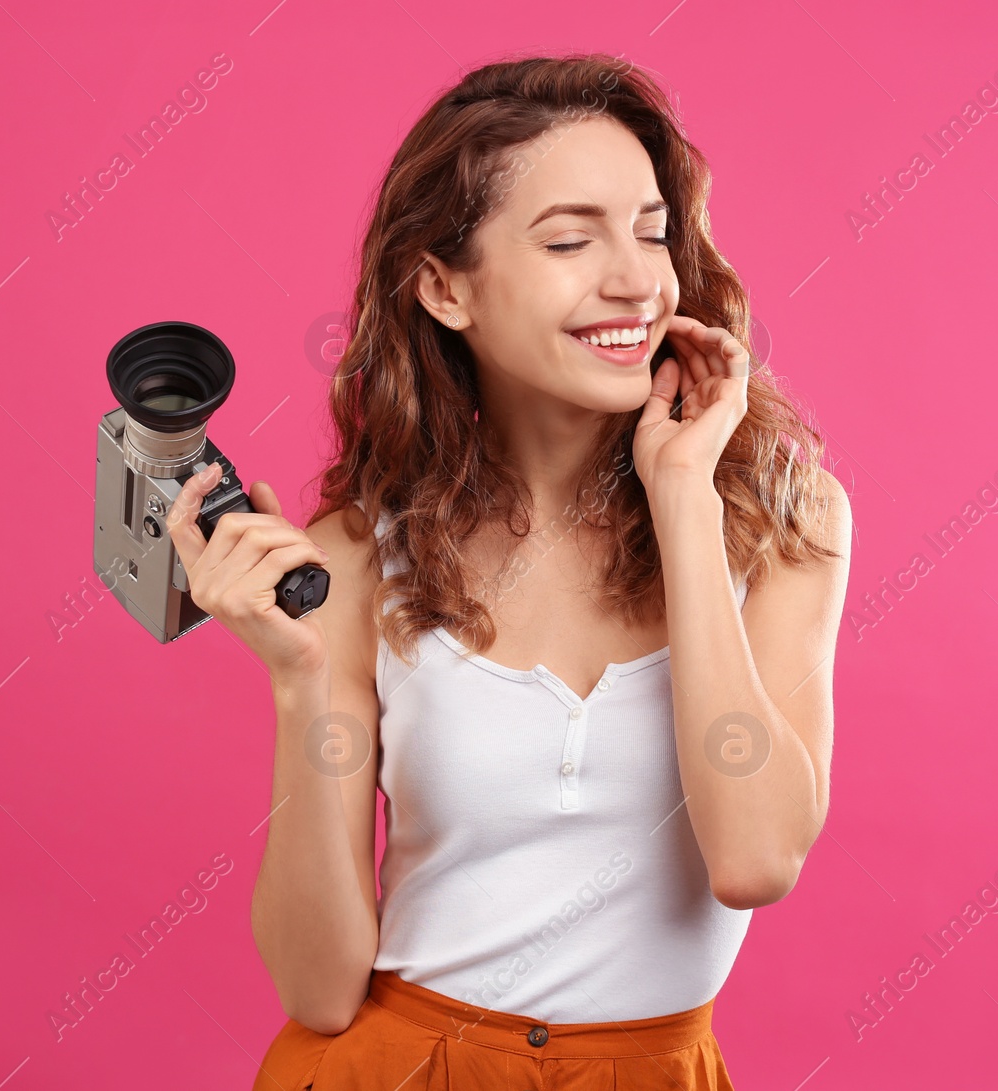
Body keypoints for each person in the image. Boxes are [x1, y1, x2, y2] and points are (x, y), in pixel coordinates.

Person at [166, 51, 851, 1091]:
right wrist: (298, 679)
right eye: (571, 239)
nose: (634, 277)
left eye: (652, 230)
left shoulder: (781, 522)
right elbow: (318, 989)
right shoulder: (361, 550)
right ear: (444, 287)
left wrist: (683, 500)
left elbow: (755, 858)